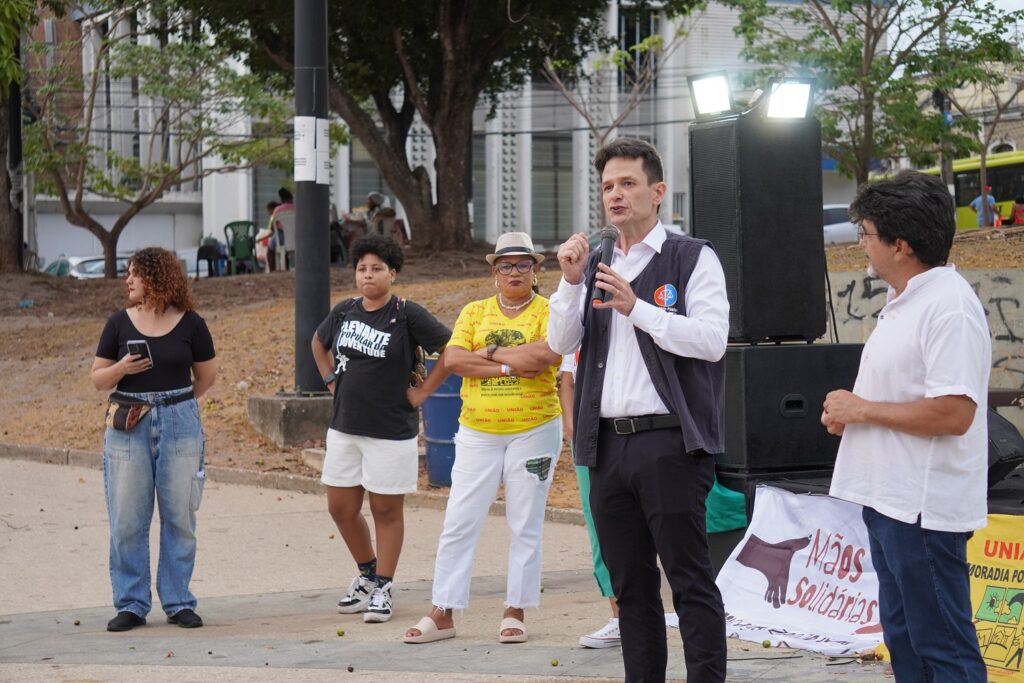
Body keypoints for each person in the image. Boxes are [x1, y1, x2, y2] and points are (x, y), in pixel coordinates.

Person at [547, 137, 730, 682]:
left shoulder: (692, 257)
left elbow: (712, 341)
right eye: (607, 186)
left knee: (689, 578)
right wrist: (568, 280)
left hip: (669, 443)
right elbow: (561, 341)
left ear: (657, 191)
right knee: (630, 586)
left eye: (627, 184)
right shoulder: (596, 261)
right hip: (607, 446)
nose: (615, 195)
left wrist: (638, 308)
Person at [822, 171, 991, 682]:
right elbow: (903, 400)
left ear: (901, 245)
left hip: (923, 510)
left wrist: (863, 411)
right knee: (907, 643)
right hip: (889, 502)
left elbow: (954, 413)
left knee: (943, 649)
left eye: (867, 235)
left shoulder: (950, 306)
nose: (861, 247)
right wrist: (851, 415)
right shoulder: (908, 300)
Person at [404, 232, 563, 645]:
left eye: (523, 264)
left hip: (534, 431)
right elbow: (453, 359)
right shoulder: (474, 312)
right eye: (506, 265)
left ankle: (515, 609)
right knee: (459, 519)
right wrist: (510, 364)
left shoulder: (550, 310)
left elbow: (544, 356)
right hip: (477, 431)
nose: (514, 272)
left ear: (536, 270)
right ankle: (443, 610)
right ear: (494, 272)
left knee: (524, 521)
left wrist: (486, 354)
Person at [311, 235, 451, 623]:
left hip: (391, 429)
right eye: (361, 269)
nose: (368, 275)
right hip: (345, 427)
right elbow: (317, 343)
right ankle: (367, 574)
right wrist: (329, 380)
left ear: (393, 273)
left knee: (386, 509)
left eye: (376, 269)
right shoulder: (344, 311)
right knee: (340, 508)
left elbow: (451, 350)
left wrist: (424, 391)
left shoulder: (407, 314)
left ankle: (385, 586)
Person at [90, 247, 218, 632]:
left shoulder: (191, 324)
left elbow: (206, 377)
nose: (127, 280)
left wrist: (175, 406)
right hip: (128, 423)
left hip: (180, 419)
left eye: (135, 274)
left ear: (156, 278)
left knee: (180, 515)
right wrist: (121, 367)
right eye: (127, 273)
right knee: (127, 517)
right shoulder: (117, 323)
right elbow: (97, 379)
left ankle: (178, 602)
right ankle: (131, 603)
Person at [558, 352, 621, 649]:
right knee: (602, 527)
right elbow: (567, 379)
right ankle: (621, 617)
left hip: (643, 431)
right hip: (591, 439)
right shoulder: (582, 318)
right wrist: (573, 427)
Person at [267, 188, 295, 270]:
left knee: (271, 247)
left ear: (281, 199)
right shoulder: (298, 208)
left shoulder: (277, 210)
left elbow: (272, 228)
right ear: (291, 198)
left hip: (282, 239)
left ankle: (272, 270)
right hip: (297, 238)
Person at [256, 200, 279, 272]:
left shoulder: (274, 216)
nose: (268, 213)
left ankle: (272, 269)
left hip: (278, 237)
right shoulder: (276, 216)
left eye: (268, 211)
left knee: (269, 249)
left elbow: (272, 232)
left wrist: (261, 238)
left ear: (272, 209)